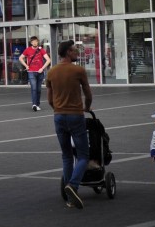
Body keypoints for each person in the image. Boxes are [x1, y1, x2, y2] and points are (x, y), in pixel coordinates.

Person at [46, 40, 92, 210]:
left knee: (66, 155)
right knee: (83, 155)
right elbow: (87, 93)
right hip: (75, 116)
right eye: (73, 51)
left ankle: (69, 198)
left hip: (58, 116)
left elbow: (50, 98)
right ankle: (72, 185)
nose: (76, 53)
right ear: (67, 52)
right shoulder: (78, 70)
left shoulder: (51, 72)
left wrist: (57, 109)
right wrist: (86, 107)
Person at [20, 36, 51, 111]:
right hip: (31, 72)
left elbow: (48, 60)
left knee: (39, 89)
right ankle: (34, 104)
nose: (35, 43)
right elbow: (20, 58)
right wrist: (26, 65)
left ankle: (37, 104)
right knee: (34, 88)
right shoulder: (28, 50)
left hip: (40, 72)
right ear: (31, 43)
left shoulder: (41, 50)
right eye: (33, 41)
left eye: (36, 41)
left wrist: (42, 68)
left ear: (38, 42)